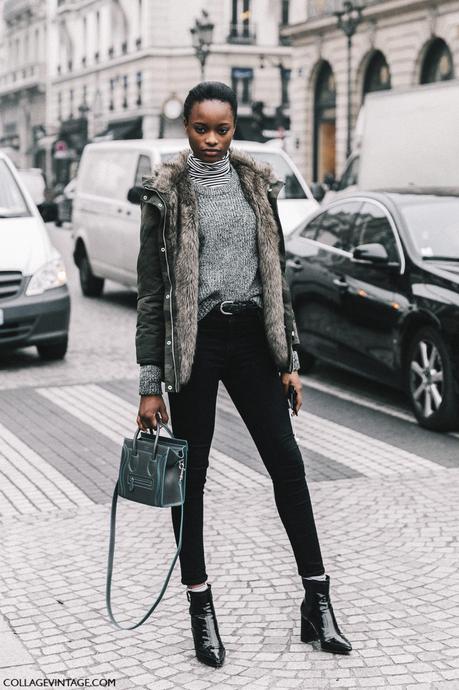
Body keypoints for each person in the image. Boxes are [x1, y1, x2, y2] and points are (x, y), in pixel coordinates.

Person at [136, 81, 352, 667]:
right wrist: (149, 383)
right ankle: (199, 607)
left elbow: (274, 275)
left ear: (235, 128)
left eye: (222, 129)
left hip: (255, 339)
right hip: (196, 347)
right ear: (186, 126)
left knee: (287, 463)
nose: (211, 140)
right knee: (191, 477)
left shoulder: (257, 185)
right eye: (201, 128)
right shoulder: (165, 194)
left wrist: (289, 361)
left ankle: (318, 600)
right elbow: (152, 298)